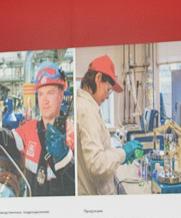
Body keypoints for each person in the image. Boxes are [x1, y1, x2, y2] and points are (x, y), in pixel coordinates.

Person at [75, 54, 143, 195]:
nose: (107, 97)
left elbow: (97, 153)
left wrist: (118, 158)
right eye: (108, 90)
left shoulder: (86, 106)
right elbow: (96, 164)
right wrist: (123, 152)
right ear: (98, 78)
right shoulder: (88, 111)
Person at [20, 62, 75, 196]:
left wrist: (64, 158)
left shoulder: (74, 135)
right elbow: (6, 139)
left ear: (61, 96)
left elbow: (77, 188)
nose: (44, 101)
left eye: (50, 93)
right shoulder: (28, 128)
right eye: (40, 94)